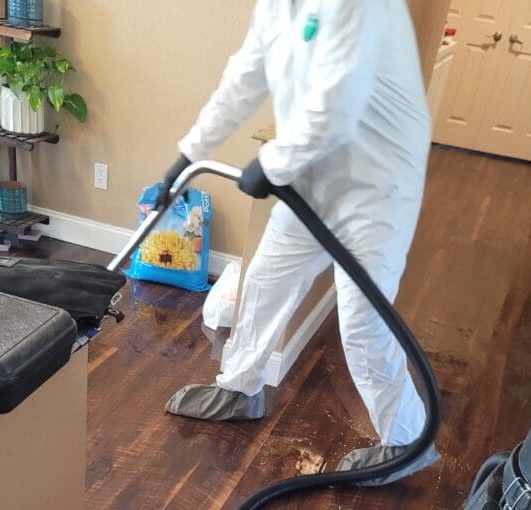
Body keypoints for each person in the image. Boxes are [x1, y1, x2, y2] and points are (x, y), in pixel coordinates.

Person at [158, 0, 438, 484]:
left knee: (365, 325)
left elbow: (337, 105)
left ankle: (406, 441)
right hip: (312, 178)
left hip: (375, 190)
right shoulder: (277, 5)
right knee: (264, 282)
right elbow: (244, 77)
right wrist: (188, 155)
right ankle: (240, 390)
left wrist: (271, 163)